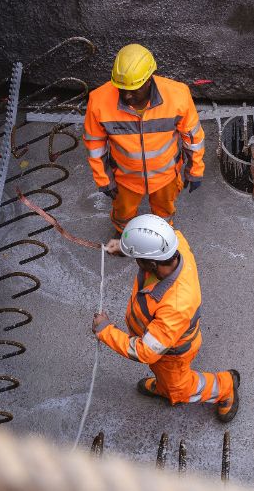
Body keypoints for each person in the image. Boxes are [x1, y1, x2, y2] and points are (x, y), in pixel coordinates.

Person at [92, 214, 239, 422]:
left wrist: (105, 331)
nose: (136, 263)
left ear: (151, 264)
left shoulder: (176, 305)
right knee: (166, 378)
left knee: (180, 389)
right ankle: (164, 384)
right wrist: (126, 249)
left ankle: (225, 386)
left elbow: (146, 351)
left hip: (171, 354)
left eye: (137, 260)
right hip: (160, 340)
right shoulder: (175, 245)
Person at [83, 44, 205, 233]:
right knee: (123, 214)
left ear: (149, 80)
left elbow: (193, 138)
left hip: (166, 178)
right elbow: (95, 144)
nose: (126, 95)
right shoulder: (98, 101)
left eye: (134, 89)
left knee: (164, 212)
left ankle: (162, 234)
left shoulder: (178, 96)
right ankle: (123, 235)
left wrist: (195, 170)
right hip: (125, 179)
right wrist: (104, 180)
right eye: (121, 88)